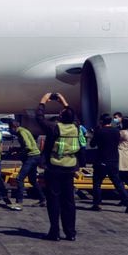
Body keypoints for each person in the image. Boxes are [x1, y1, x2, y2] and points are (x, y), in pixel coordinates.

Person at [36, 92, 86, 241]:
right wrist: (63, 101)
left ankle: (54, 232)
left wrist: (43, 101)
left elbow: (39, 118)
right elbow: (74, 115)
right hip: (70, 168)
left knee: (54, 201)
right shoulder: (76, 127)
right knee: (69, 201)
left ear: (61, 117)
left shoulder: (55, 129)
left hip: (54, 168)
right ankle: (70, 233)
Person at [90, 113, 128, 213]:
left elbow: (92, 144)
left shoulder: (100, 131)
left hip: (101, 160)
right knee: (118, 183)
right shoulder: (116, 131)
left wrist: (95, 133)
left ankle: (97, 203)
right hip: (114, 160)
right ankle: (127, 203)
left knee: (97, 183)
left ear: (101, 121)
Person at [9, 120, 46, 209]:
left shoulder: (21, 132)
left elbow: (28, 146)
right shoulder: (23, 130)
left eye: (10, 128)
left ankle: (19, 202)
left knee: (19, 178)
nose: (10, 130)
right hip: (35, 156)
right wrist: (16, 149)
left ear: (14, 127)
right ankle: (42, 199)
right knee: (32, 180)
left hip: (31, 157)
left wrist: (19, 154)